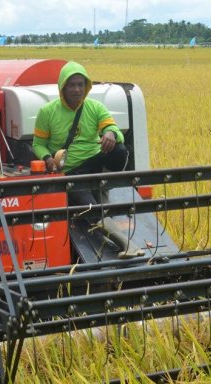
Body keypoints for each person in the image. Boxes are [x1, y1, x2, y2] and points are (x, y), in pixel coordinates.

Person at [32, 61, 143, 258]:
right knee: (90, 209)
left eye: (80, 85)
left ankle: (105, 183)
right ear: (62, 87)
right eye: (71, 85)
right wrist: (48, 157)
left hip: (95, 163)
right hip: (71, 170)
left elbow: (115, 130)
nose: (76, 89)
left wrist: (110, 133)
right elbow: (38, 143)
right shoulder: (47, 112)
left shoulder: (95, 107)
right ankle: (127, 244)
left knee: (119, 149)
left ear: (86, 87)